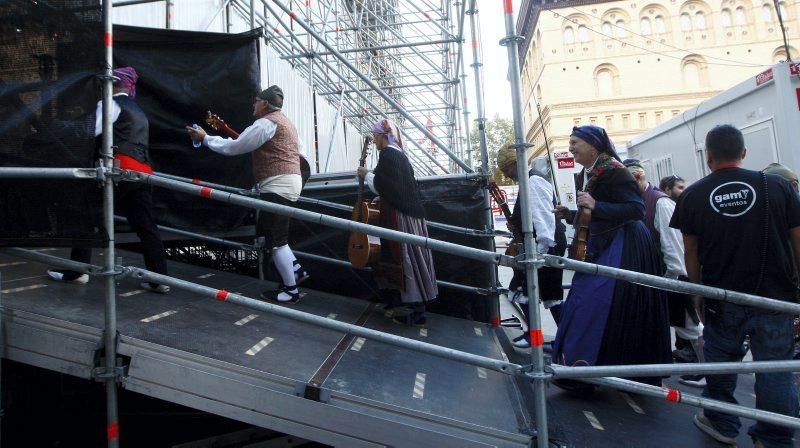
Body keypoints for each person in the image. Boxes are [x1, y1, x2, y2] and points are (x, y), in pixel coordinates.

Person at [671, 125, 800, 447]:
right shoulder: (778, 186)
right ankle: (773, 437)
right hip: (776, 295)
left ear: (709, 156)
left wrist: (698, 293)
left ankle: (723, 423)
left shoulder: (693, 195)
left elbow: (691, 252)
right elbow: (798, 240)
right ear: (743, 153)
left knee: (722, 363)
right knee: (775, 369)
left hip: (722, 297)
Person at [552, 125, 671, 389]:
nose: (570, 148)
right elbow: (592, 215)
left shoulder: (615, 171)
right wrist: (569, 214)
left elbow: (636, 209)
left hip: (624, 246)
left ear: (593, 146)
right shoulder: (586, 173)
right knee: (587, 302)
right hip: (602, 244)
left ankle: (601, 371)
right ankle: (583, 369)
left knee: (602, 302)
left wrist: (596, 205)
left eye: (575, 143)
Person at [47, 67, 171, 294]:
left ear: (112, 84)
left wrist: (57, 127)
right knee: (146, 226)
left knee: (85, 215)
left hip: (117, 171)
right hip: (142, 173)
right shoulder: (139, 111)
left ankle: (78, 271)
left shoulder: (109, 104)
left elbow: (90, 130)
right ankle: (159, 278)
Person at [186, 85, 308, 303]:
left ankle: (291, 291)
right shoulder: (286, 122)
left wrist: (205, 138)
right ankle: (296, 271)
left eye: (256, 100)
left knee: (273, 241)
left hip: (277, 185)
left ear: (264, 103)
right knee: (279, 236)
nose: (253, 104)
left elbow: (235, 147)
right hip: (290, 182)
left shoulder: (266, 123)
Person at [625, 160, 705, 387]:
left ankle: (708, 373)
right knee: (684, 325)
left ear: (639, 178)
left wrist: (674, 279)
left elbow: (673, 247)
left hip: (673, 276)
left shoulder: (660, 203)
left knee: (691, 325)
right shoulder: (643, 200)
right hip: (662, 276)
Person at [356, 119, 437, 327]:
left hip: (403, 217)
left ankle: (416, 310)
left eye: (375, 135)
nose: (373, 139)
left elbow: (385, 185)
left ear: (383, 136)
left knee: (405, 257)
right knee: (410, 258)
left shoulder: (389, 155)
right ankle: (407, 303)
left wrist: (367, 175)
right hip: (411, 215)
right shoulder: (399, 155)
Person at [495, 147, 567, 348]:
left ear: (513, 164)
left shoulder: (533, 181)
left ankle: (541, 337)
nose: (506, 175)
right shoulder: (531, 180)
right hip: (544, 245)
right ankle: (561, 339)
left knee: (527, 289)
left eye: (506, 169)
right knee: (548, 292)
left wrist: (539, 251)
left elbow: (544, 219)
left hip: (544, 246)